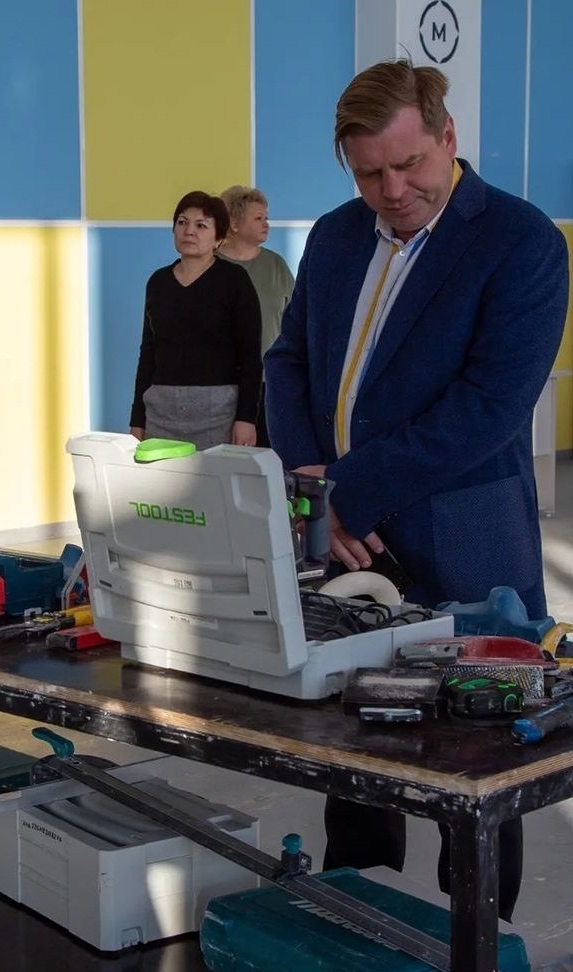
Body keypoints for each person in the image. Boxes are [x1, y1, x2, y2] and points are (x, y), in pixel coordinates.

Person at [264, 59, 570, 921]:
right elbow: (287, 362)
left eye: (408, 165)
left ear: (447, 137)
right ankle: (354, 921)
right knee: (351, 748)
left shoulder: (520, 242)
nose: (392, 191)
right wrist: (310, 485)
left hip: (464, 545)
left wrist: (344, 492)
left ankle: (477, 951)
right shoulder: (335, 236)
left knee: (474, 768)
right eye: (369, 174)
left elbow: (487, 408)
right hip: (344, 542)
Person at [129, 191, 262, 449]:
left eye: (201, 225)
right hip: (161, 414)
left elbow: (250, 355)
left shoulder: (234, 280)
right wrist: (137, 420)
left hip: (218, 415)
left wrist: (247, 418)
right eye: (182, 222)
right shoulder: (158, 282)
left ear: (218, 239)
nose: (189, 231)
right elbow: (148, 354)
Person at [217, 185, 295, 447]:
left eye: (266, 218)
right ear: (234, 224)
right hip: (220, 386)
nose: (266, 224)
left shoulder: (276, 265)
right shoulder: (211, 266)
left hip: (269, 384)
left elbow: (297, 321)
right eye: (258, 218)